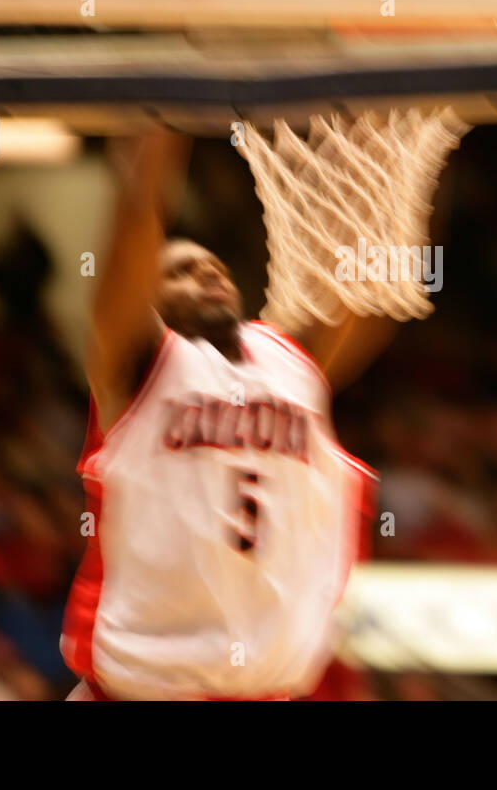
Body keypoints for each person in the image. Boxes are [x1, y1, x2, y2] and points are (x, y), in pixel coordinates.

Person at [62, 132, 384, 700]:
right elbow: (138, 221)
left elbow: (356, 296)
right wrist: (162, 123)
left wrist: (371, 148)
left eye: (214, 267)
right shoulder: (139, 365)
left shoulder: (289, 366)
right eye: (182, 271)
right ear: (149, 300)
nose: (209, 272)